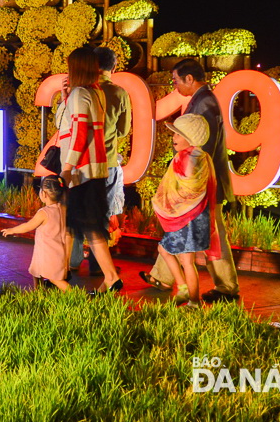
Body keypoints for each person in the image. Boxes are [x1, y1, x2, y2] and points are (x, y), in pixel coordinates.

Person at [140, 58, 240, 303]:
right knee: (183, 230)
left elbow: (201, 145)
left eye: (176, 81)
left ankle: (226, 287)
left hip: (203, 185)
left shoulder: (204, 102)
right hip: (202, 184)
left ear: (189, 79)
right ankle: (163, 277)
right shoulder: (203, 99)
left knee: (211, 235)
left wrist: (187, 176)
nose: (175, 87)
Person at [58, 47, 121, 294]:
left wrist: (67, 168)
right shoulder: (95, 93)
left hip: (80, 172)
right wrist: (66, 98)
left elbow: (79, 134)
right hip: (95, 170)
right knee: (88, 226)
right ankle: (110, 277)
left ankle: (61, 274)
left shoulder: (80, 94)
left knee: (76, 225)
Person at [69, 47, 133, 273]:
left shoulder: (81, 91)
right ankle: (98, 265)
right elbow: (124, 130)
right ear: (113, 67)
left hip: (81, 161)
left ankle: (73, 260)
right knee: (102, 215)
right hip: (107, 162)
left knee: (76, 210)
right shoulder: (119, 93)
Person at [152, 114, 222, 309]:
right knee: (182, 258)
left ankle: (192, 299)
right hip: (198, 216)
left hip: (185, 218)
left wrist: (169, 200)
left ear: (190, 137)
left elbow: (188, 187)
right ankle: (185, 291)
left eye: (178, 134)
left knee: (178, 257)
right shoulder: (203, 156)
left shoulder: (185, 157)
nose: (174, 138)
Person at [1, 175, 70, 291]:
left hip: (48, 253)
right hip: (57, 251)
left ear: (44, 194)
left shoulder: (44, 212)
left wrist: (11, 230)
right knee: (35, 271)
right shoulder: (62, 209)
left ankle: (78, 296)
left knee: (55, 280)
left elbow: (28, 226)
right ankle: (38, 291)